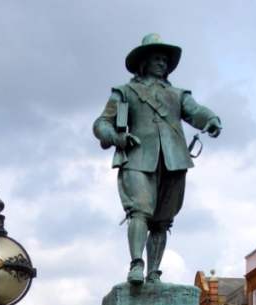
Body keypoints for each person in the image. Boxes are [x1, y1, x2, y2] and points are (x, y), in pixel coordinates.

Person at [93, 33, 222, 285]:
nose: (162, 63)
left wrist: (211, 119)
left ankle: (154, 272)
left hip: (173, 161)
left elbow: (195, 111)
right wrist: (118, 138)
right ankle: (136, 265)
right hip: (138, 158)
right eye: (157, 58)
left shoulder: (178, 94)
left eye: (165, 59)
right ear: (144, 62)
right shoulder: (125, 92)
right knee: (139, 211)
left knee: (163, 220)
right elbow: (101, 123)